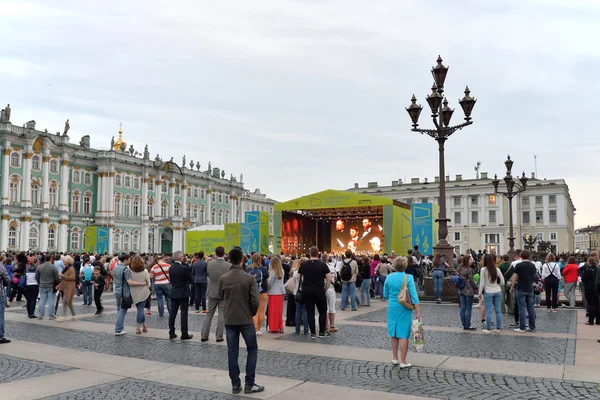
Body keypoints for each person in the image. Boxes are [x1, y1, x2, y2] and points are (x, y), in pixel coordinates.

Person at [218, 247, 264, 394]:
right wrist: (250, 312)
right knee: (252, 350)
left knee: (232, 352)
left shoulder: (223, 278)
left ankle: (235, 384)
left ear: (229, 260)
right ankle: (249, 383)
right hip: (245, 319)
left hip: (230, 319)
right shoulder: (249, 278)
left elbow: (221, 297)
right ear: (242, 259)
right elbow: (255, 300)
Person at [383, 257, 421, 368]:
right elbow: (414, 296)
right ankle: (403, 361)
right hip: (405, 307)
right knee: (403, 334)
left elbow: (385, 294)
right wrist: (418, 312)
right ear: (405, 266)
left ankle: (394, 358)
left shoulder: (389, 277)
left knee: (394, 333)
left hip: (392, 307)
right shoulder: (408, 277)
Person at [298, 246, 332, 339]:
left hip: (307, 290)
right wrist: (325, 288)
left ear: (309, 253)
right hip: (319, 290)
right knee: (322, 311)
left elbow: (298, 277)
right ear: (318, 254)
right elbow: (329, 278)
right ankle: (321, 332)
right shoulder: (322, 265)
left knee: (310, 312)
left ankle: (312, 333)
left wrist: (301, 286)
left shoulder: (304, 264)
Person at [201, 246, 230, 343]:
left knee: (209, 314)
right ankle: (219, 336)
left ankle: (204, 335)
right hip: (223, 292)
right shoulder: (228, 265)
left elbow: (208, 274)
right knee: (222, 313)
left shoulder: (209, 264)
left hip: (212, 291)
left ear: (215, 253)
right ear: (224, 253)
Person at [113, 254, 146, 336]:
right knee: (123, 310)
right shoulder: (126, 269)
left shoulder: (115, 267)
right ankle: (118, 329)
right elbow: (130, 282)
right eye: (129, 260)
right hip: (125, 292)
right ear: (125, 260)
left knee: (119, 309)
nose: (130, 261)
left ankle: (120, 327)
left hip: (117, 290)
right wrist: (141, 283)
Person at [168, 251, 194, 340]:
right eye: (183, 256)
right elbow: (190, 279)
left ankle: (171, 332)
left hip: (174, 292)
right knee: (184, 313)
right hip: (183, 292)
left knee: (173, 313)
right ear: (180, 258)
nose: (184, 258)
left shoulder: (171, 268)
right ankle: (184, 333)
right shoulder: (184, 268)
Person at [510, 250, 537, 333]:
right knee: (531, 308)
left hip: (521, 288)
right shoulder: (532, 265)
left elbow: (514, 277)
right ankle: (532, 326)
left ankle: (522, 327)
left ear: (521, 256)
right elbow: (534, 276)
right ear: (528, 256)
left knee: (521, 308)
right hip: (530, 288)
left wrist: (511, 287)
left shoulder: (518, 265)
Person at [479, 254, 504, 333]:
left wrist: (479, 293)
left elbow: (482, 283)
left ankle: (488, 329)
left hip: (488, 291)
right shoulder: (497, 270)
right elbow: (503, 282)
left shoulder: (483, 270)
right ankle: (498, 328)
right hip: (498, 291)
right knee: (498, 311)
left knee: (489, 311)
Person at [129, 256, 151, 335]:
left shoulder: (130, 271)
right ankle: (138, 327)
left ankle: (144, 326)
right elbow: (148, 282)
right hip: (143, 292)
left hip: (134, 292)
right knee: (141, 310)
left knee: (140, 309)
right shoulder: (145, 271)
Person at [249, 253, 269, 335]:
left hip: (252, 292)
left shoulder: (248, 268)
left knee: (254, 311)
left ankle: (255, 328)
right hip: (262, 291)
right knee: (261, 311)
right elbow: (266, 278)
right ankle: (259, 328)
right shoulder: (263, 269)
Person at [36, 254, 59, 320]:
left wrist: (39, 283)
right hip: (51, 286)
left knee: (42, 300)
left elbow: (36, 277)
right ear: (51, 258)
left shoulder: (39, 267)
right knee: (51, 301)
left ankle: (40, 315)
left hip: (42, 285)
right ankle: (51, 315)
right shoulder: (53, 267)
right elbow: (57, 278)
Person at [457, 256, 477, 330]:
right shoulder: (468, 269)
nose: (471, 261)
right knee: (468, 308)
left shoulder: (460, 268)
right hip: (468, 290)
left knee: (463, 307)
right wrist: (476, 287)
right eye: (470, 259)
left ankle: (464, 324)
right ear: (467, 260)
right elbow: (471, 280)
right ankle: (468, 325)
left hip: (461, 289)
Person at [266, 256, 285, 333]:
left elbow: (270, 283)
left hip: (273, 292)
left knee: (273, 311)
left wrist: (267, 289)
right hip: (280, 292)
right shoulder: (282, 271)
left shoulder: (273, 272)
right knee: (279, 311)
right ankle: (280, 326)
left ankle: (274, 327)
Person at [290, 258, 308, 335]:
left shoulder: (295, 272)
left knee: (297, 311)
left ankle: (297, 329)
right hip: (306, 293)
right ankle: (306, 328)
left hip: (297, 293)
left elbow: (294, 282)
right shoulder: (308, 273)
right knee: (305, 311)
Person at [57, 256, 77, 321]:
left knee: (65, 301)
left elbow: (72, 278)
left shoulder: (71, 269)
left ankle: (63, 316)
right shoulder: (66, 268)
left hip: (69, 286)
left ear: (68, 262)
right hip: (66, 286)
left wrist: (62, 275)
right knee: (69, 302)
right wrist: (59, 285)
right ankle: (74, 315)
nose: (63, 262)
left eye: (64, 261)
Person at [582, 257, 600, 325]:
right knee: (597, 304)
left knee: (590, 304)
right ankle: (598, 320)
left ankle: (591, 320)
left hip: (589, 288)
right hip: (596, 288)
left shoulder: (588, 270)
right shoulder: (597, 269)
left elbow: (583, 279)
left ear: (588, 262)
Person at [0, 261, 10, 343]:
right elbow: (7, 279)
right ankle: (0, 336)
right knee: (0, 315)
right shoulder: (1, 267)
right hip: (0, 293)